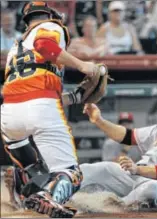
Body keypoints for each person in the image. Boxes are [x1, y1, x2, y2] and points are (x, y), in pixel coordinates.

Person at [1, 2, 106, 218]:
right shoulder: (50, 26)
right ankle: (49, 198)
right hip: (39, 108)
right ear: (49, 15)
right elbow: (44, 45)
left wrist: (75, 97)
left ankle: (24, 189)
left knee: (38, 169)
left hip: (9, 115)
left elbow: (32, 86)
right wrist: (82, 65)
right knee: (71, 173)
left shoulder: (16, 46)